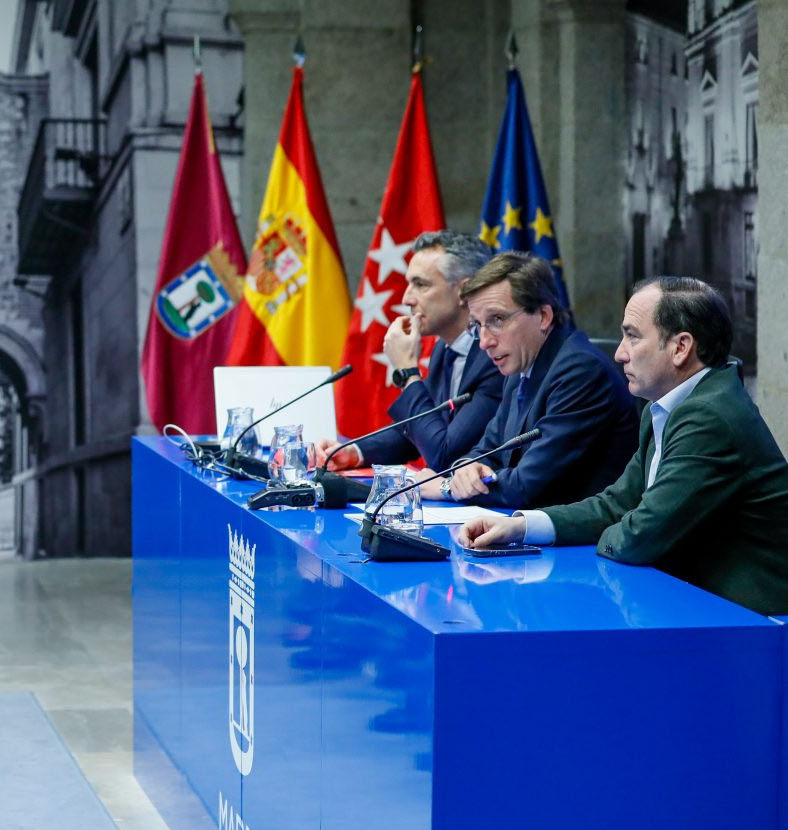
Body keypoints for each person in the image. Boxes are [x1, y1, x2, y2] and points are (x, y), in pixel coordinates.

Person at [457, 277, 788, 615]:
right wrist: (521, 526)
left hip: (753, 622)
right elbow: (618, 504)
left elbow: (640, 537)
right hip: (697, 605)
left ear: (680, 347)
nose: (619, 353)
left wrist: (614, 529)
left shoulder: (708, 417)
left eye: (632, 336)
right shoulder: (665, 406)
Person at [418, 252, 637, 507]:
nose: (485, 341)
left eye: (497, 320)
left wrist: (446, 487)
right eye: (477, 326)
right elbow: (488, 450)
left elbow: (528, 486)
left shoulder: (580, 372)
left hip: (584, 540)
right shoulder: (521, 366)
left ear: (543, 316)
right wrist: (466, 469)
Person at [312, 230, 502, 471]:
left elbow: (445, 455)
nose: (406, 299)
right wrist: (355, 451)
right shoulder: (445, 347)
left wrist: (408, 372)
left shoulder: (494, 356)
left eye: (421, 285)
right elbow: (418, 429)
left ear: (464, 292)